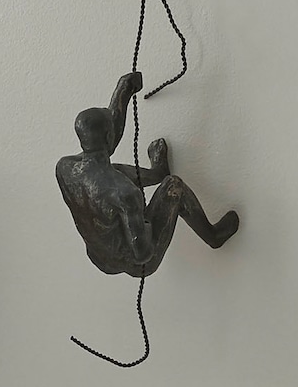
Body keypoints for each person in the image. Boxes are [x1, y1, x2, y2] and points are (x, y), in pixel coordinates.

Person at [56, 70, 239, 277]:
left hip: (101, 260)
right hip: (139, 264)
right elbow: (142, 253)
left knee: (110, 171)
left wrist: (123, 92)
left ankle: (157, 173)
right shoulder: (126, 194)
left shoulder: (65, 168)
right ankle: (213, 235)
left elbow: (103, 150)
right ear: (108, 136)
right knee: (173, 186)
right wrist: (139, 220)